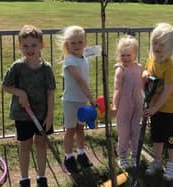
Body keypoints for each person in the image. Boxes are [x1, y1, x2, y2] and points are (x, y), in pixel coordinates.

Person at [2, 25, 56, 187]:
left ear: (42, 45)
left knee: (41, 144)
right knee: (25, 145)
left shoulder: (46, 69)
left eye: (34, 45)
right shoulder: (17, 67)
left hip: (42, 115)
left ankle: (41, 177)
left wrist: (50, 115)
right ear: (20, 46)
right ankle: (24, 178)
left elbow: (51, 93)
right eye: (25, 45)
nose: (30, 49)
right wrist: (20, 93)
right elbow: (6, 86)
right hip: (23, 116)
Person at [143, 23, 173, 181]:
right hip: (154, 108)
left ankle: (171, 164)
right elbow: (146, 70)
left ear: (170, 47)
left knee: (169, 136)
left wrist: (155, 107)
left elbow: (167, 91)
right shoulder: (152, 60)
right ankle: (157, 161)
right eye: (155, 43)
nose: (157, 47)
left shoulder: (169, 66)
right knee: (156, 136)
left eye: (162, 44)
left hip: (169, 108)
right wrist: (145, 74)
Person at [57, 25, 96, 173]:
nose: (77, 46)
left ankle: (81, 153)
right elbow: (80, 80)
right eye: (73, 43)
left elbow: (93, 52)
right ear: (67, 45)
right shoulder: (69, 61)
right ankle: (68, 157)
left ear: (85, 43)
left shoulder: (83, 57)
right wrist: (91, 98)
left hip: (82, 101)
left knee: (80, 128)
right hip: (71, 101)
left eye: (80, 42)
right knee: (71, 130)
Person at [111, 35, 144, 169]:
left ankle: (135, 155)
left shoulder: (139, 67)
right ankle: (122, 156)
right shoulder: (120, 70)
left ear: (135, 55)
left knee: (135, 131)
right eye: (122, 55)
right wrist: (114, 105)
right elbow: (117, 89)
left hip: (137, 105)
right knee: (124, 132)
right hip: (123, 107)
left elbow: (142, 84)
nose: (125, 58)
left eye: (128, 55)